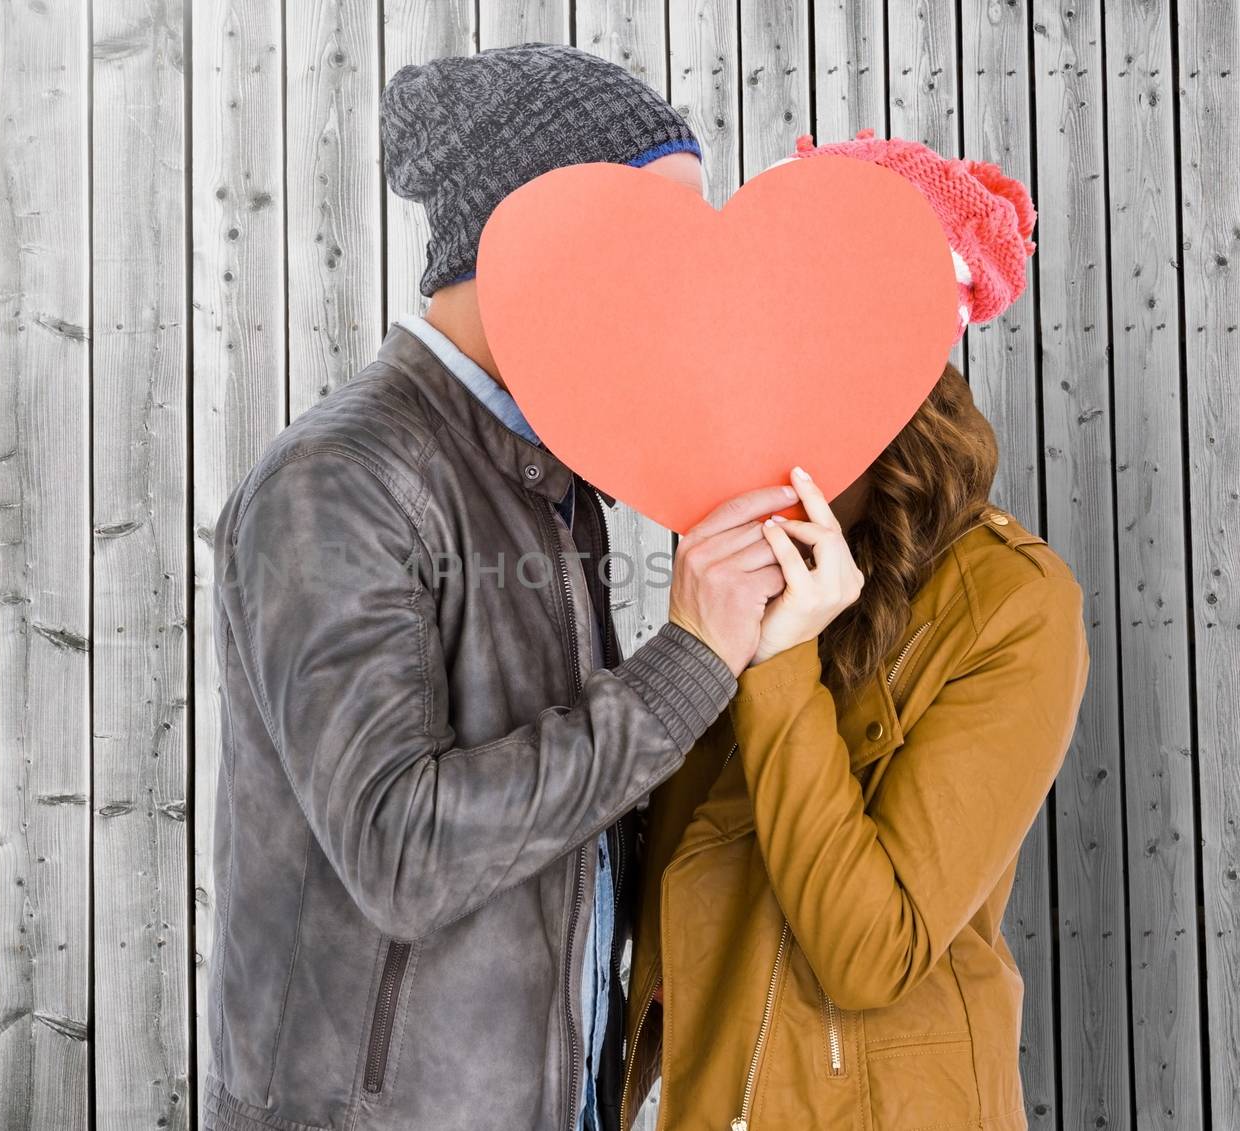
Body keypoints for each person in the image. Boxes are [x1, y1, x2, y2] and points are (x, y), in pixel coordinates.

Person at [204, 44, 790, 1131]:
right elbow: (404, 851)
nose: (683, 287)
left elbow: (575, 808)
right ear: (533, 238)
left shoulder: (549, 476)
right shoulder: (339, 481)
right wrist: (686, 666)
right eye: (652, 243)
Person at [617, 137, 1090, 1131]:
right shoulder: (740, 536)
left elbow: (870, 952)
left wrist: (783, 659)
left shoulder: (1012, 604)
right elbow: (667, 871)